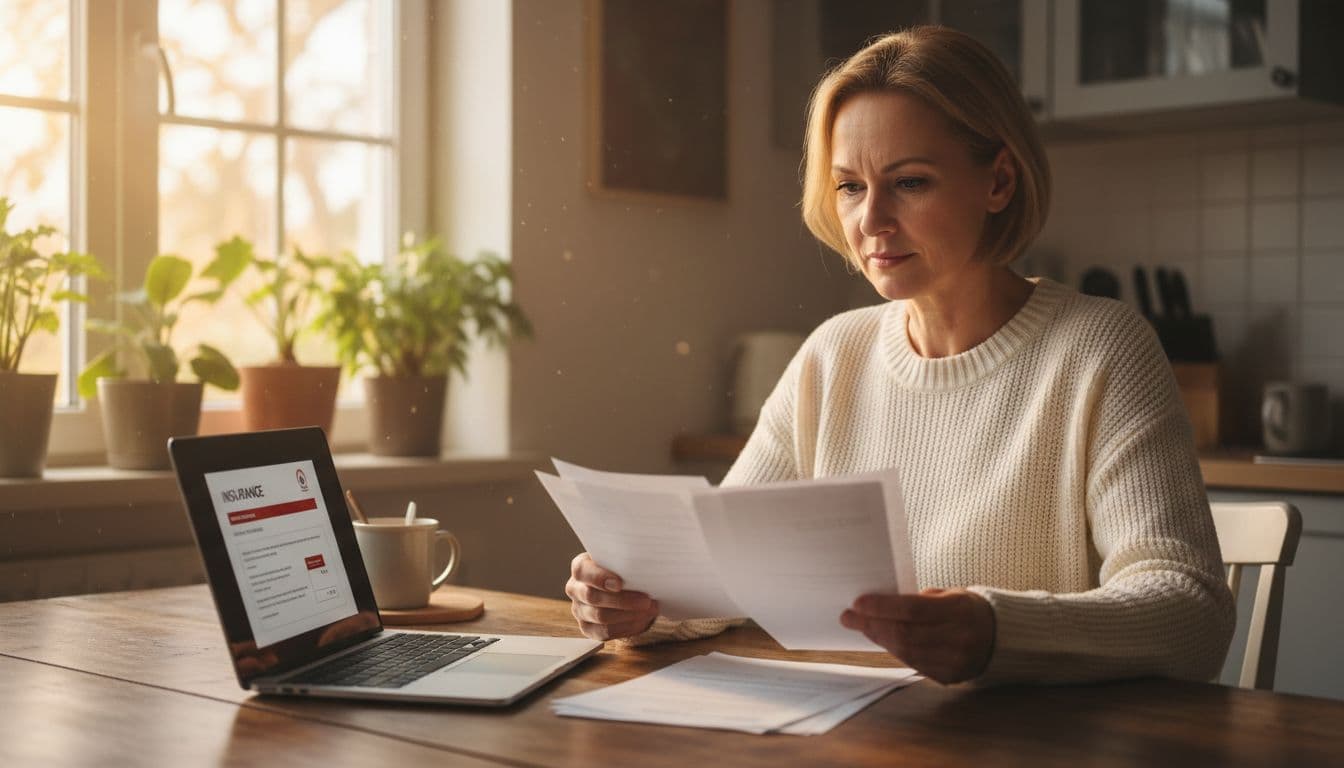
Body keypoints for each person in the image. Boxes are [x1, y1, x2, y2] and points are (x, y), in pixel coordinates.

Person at [565, 26, 1234, 685]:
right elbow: (722, 576)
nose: (871, 221)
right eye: (850, 187)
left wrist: (996, 631)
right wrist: (638, 604)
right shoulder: (834, 354)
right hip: (855, 736)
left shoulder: (1101, 349)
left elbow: (1190, 611)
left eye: (909, 183)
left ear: (998, 181)